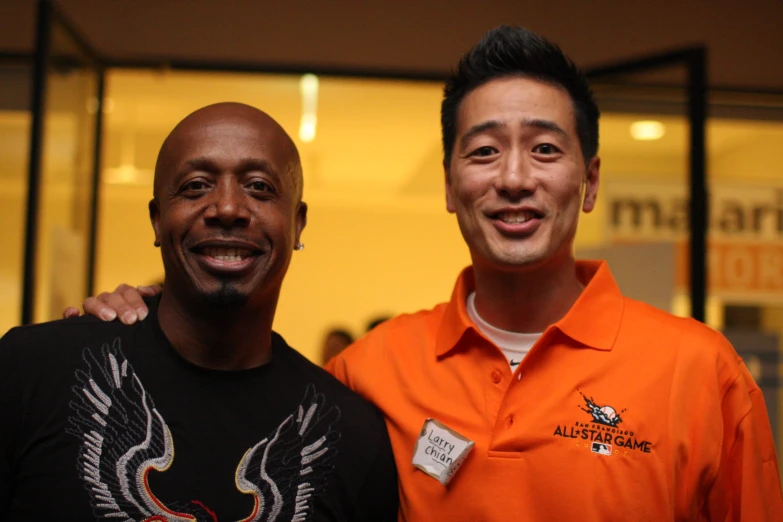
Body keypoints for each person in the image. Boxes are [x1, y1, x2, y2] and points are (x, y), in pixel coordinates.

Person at [70, 26, 783, 521]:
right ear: (448, 184)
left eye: (542, 149)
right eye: (481, 152)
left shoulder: (700, 372)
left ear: (588, 180)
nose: (511, 179)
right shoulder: (368, 374)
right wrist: (147, 315)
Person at [1, 102, 398, 521]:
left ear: (297, 224)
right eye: (195, 186)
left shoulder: (349, 434)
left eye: (259, 187)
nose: (227, 208)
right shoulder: (33, 370)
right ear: (157, 219)